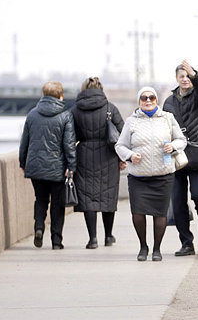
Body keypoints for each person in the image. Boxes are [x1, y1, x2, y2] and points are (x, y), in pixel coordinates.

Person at [115, 87, 187, 262]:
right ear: (139, 101)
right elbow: (120, 146)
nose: (148, 101)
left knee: (160, 214)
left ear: (156, 100)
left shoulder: (168, 119)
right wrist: (130, 156)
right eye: (144, 98)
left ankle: (156, 249)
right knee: (138, 213)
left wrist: (173, 146)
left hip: (163, 175)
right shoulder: (131, 122)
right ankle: (143, 246)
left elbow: (181, 139)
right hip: (138, 176)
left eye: (152, 97)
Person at [162, 59, 198, 257]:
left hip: (196, 154)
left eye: (188, 76)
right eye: (181, 76)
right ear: (176, 79)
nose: (185, 79)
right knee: (178, 202)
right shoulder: (168, 102)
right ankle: (186, 242)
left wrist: (195, 75)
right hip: (175, 156)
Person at [18, 81, 76, 250]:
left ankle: (39, 228)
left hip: (35, 167)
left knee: (41, 200)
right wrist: (71, 165)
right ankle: (56, 242)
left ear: (43, 95)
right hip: (57, 168)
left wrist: (23, 162)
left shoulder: (32, 114)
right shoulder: (65, 116)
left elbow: (25, 142)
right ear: (61, 96)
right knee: (57, 204)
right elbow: (69, 145)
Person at [70, 77, 126, 249]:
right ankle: (108, 236)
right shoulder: (110, 108)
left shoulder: (75, 110)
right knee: (107, 196)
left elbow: (71, 137)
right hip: (108, 155)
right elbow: (123, 134)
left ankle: (92, 239)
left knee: (88, 198)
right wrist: (122, 157)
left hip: (84, 155)